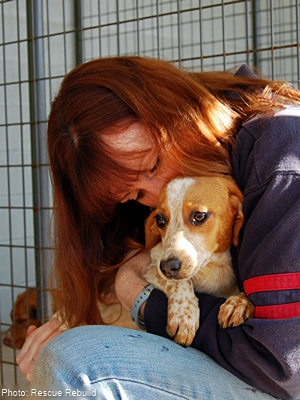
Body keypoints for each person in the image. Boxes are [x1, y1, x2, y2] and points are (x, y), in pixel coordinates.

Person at [16, 56, 300, 399]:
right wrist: (70, 325)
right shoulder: (198, 168)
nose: (159, 191)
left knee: (78, 367)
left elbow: (281, 367)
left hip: (280, 377)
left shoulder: (282, 159)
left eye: (154, 163)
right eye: (135, 194)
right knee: (60, 357)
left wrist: (141, 298)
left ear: (178, 109)